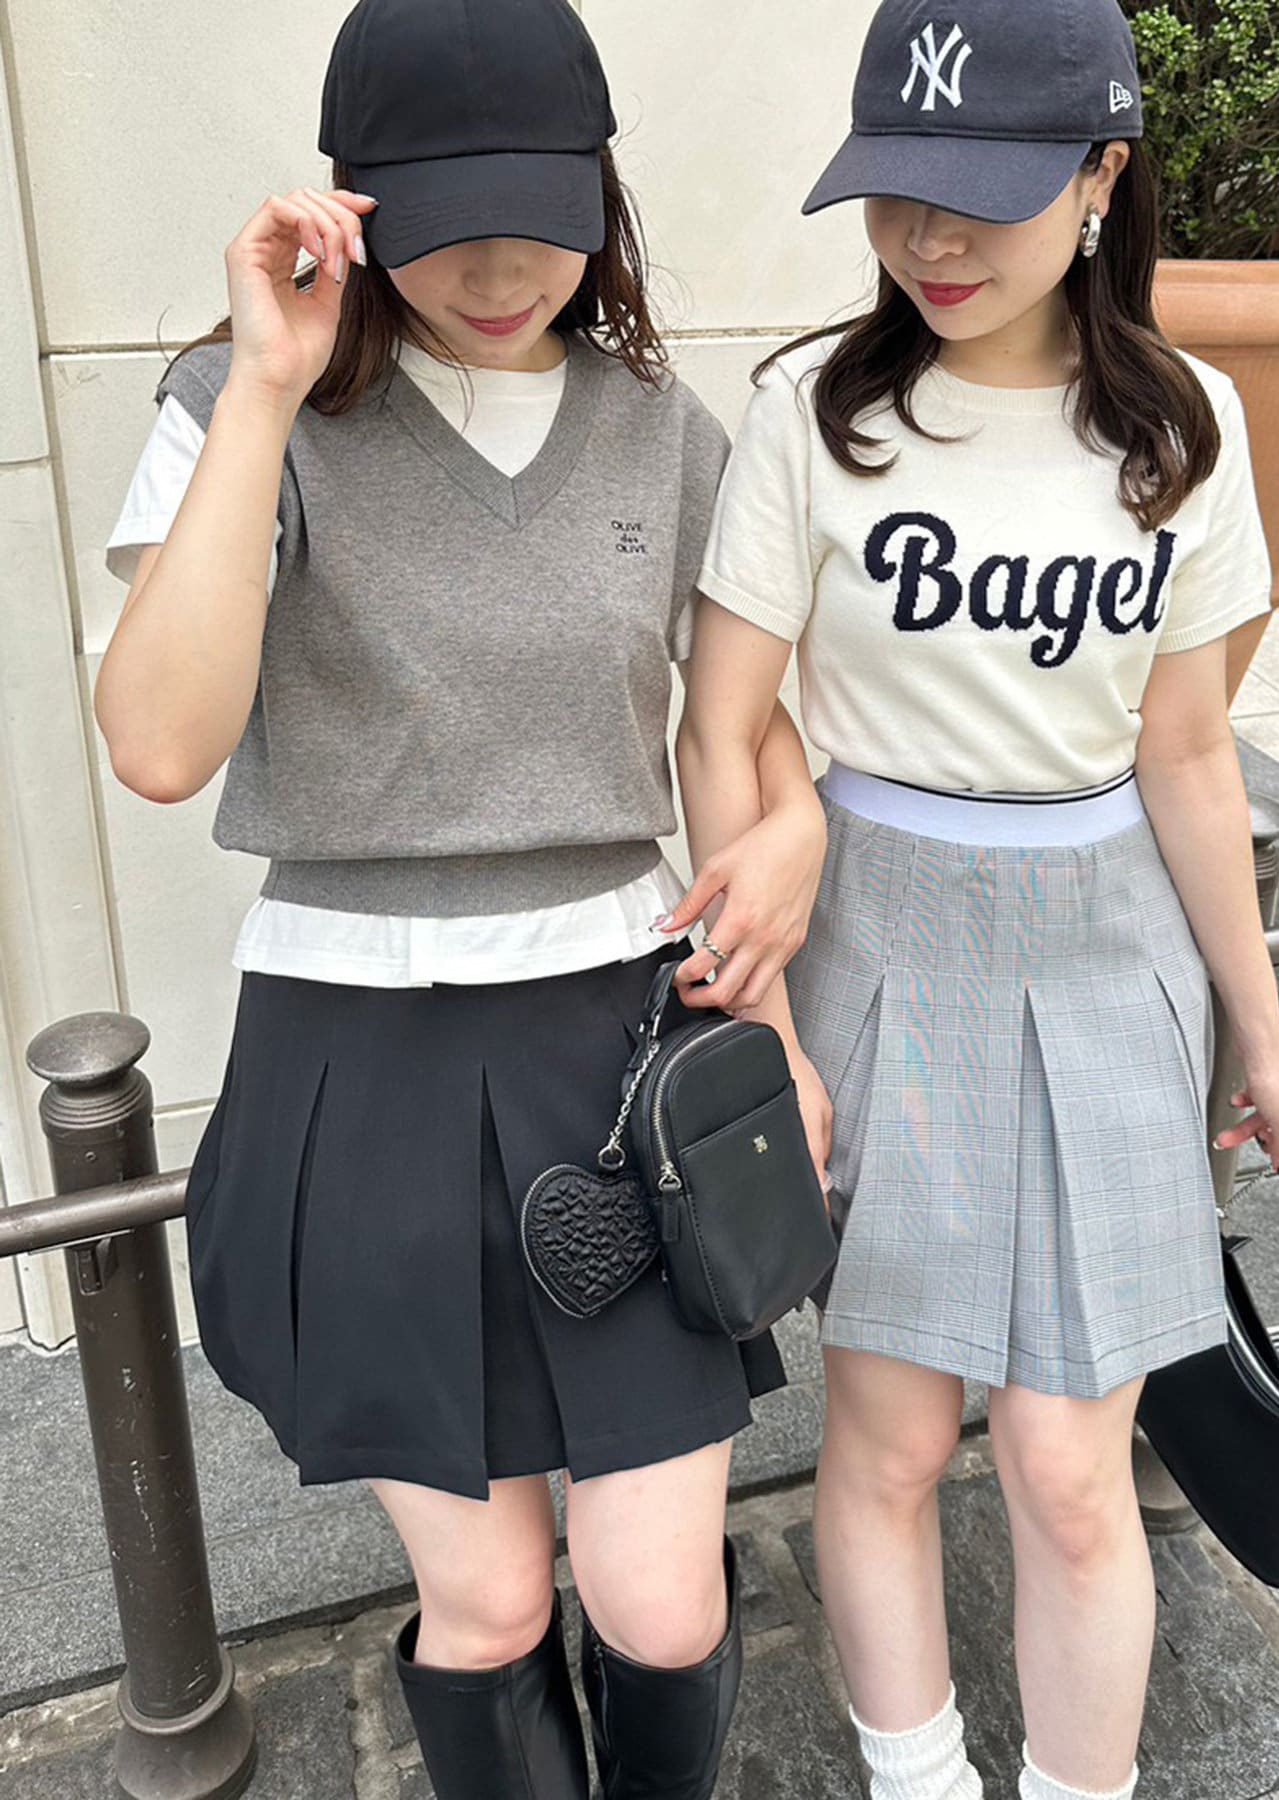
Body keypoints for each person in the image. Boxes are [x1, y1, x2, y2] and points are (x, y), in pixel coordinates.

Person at [94, 1, 826, 1794]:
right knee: (489, 1604)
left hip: (626, 1043)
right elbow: (161, 741)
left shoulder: (654, 425)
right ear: (347, 207)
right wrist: (265, 383)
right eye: (440, 225)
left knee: (661, 1600)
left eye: (540, 218)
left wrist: (795, 849)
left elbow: (744, 723)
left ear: (599, 193)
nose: (499, 272)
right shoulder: (237, 404)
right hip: (358, 1056)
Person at [669, 1, 1279, 1796]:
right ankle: (918, 1776)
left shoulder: (1183, 424)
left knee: (1067, 1463)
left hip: (1109, 952)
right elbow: (720, 728)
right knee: (888, 1443)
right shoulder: (814, 414)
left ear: (1103, 174)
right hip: (879, 951)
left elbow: (1187, 752)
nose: (929, 239)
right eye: (897, 191)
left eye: (980, 193)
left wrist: (1262, 1033)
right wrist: (767, 1035)